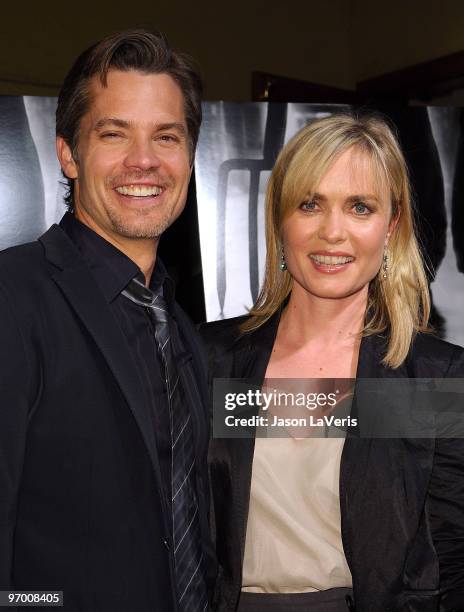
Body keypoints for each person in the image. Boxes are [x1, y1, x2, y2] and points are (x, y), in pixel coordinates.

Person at [201, 114, 464, 611]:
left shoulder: (433, 378)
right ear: (281, 219)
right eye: (310, 204)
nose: (332, 232)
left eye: (359, 207)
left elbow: (453, 555)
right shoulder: (211, 358)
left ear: (392, 226)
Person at [0, 29, 214, 612]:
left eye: (166, 136)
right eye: (114, 133)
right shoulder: (13, 299)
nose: (144, 161)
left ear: (190, 157)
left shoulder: (186, 334)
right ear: (68, 152)